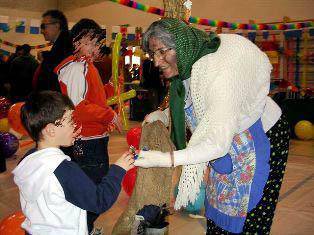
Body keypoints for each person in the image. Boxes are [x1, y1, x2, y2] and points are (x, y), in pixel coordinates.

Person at [134, 18, 290, 234]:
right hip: (225, 145)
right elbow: (192, 106)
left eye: (162, 51)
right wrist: (163, 115)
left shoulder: (218, 74)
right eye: (153, 55)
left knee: (247, 216)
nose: (157, 61)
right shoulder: (186, 71)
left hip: (259, 140)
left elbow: (217, 143)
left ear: (181, 44)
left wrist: (164, 159)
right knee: (218, 204)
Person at [12, 91, 134, 235]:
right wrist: (118, 169)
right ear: (51, 130)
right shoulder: (65, 170)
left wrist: (62, 139)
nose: (74, 125)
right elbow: (99, 201)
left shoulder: (28, 159)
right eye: (70, 121)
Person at [54, 18, 122, 233]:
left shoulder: (86, 67)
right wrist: (108, 115)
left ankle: (84, 226)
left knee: (91, 187)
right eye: (90, 43)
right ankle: (83, 228)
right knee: (93, 192)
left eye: (97, 44)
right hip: (87, 141)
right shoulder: (77, 67)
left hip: (92, 139)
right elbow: (78, 106)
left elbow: (91, 97)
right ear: (76, 42)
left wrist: (109, 90)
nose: (95, 49)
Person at [34, 9, 73, 92]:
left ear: (57, 25)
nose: (41, 31)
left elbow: (52, 76)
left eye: (43, 27)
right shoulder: (62, 43)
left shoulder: (65, 45)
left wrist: (45, 57)